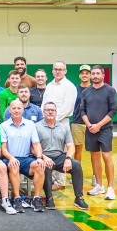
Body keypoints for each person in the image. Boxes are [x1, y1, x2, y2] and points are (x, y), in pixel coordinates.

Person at [37, 102, 88, 210]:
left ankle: (79, 198)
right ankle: (49, 198)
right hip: (44, 156)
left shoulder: (64, 127)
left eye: (52, 110)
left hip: (59, 156)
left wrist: (68, 158)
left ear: (56, 112)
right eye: (47, 110)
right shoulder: (37, 127)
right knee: (46, 166)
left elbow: (71, 146)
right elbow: (33, 147)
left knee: (76, 165)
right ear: (43, 112)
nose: (50, 112)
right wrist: (44, 157)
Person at [0, 100, 46, 213]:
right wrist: (11, 158)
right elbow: (3, 148)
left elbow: (36, 144)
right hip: (9, 158)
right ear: (10, 110)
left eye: (19, 108)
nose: (16, 110)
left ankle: (36, 199)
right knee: (14, 166)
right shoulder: (3, 126)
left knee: (39, 166)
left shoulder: (30, 124)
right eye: (14, 108)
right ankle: (17, 198)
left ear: (23, 110)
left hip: (26, 159)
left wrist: (39, 158)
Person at [82, 65, 117, 201]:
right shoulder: (86, 92)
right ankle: (99, 185)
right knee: (94, 155)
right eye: (93, 73)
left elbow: (113, 110)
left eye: (98, 73)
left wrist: (99, 125)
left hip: (105, 129)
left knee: (106, 155)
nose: (95, 76)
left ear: (103, 75)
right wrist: (89, 125)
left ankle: (110, 188)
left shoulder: (110, 90)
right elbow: (82, 110)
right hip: (91, 128)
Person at [42, 61, 78, 189]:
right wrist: (45, 119)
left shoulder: (69, 86)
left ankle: (60, 182)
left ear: (65, 71)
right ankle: (50, 180)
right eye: (55, 69)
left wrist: (53, 120)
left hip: (61, 122)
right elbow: (44, 104)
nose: (57, 71)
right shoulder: (49, 85)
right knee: (48, 149)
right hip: (47, 122)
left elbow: (67, 108)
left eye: (60, 69)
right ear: (52, 70)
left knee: (61, 151)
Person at [72, 65, 92, 164]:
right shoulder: (74, 89)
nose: (84, 75)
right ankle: (77, 172)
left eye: (87, 73)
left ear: (90, 75)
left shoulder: (94, 89)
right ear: (79, 75)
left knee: (94, 151)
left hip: (92, 124)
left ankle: (95, 173)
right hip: (77, 123)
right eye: (82, 73)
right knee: (77, 150)